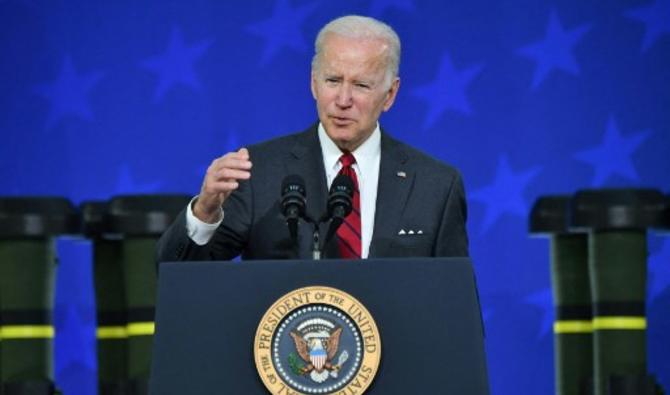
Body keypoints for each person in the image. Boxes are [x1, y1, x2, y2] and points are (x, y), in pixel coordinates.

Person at [156, 15, 468, 263]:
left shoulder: (435, 185)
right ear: (313, 83)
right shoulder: (258, 172)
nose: (343, 99)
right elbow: (176, 275)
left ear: (390, 94)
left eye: (361, 85)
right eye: (333, 80)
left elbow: (455, 306)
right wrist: (205, 212)